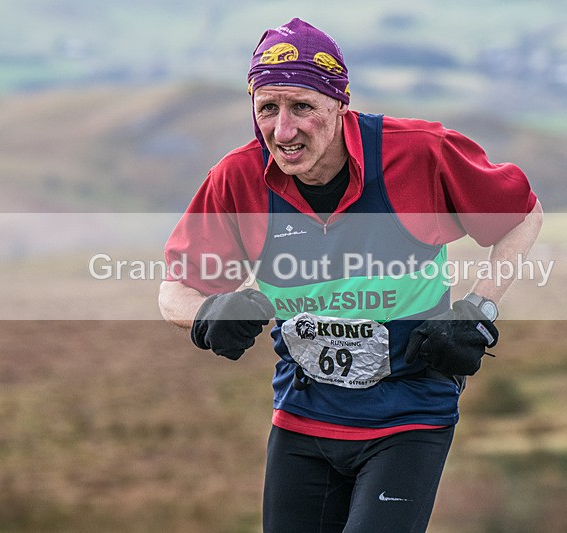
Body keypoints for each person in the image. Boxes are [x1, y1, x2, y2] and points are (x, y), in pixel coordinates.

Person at [159, 17, 543, 532]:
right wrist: (207, 313)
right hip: (302, 418)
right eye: (267, 108)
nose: (283, 129)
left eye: (303, 107)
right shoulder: (239, 179)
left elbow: (522, 214)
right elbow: (173, 288)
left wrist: (479, 308)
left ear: (340, 104)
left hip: (409, 416)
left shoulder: (418, 153)